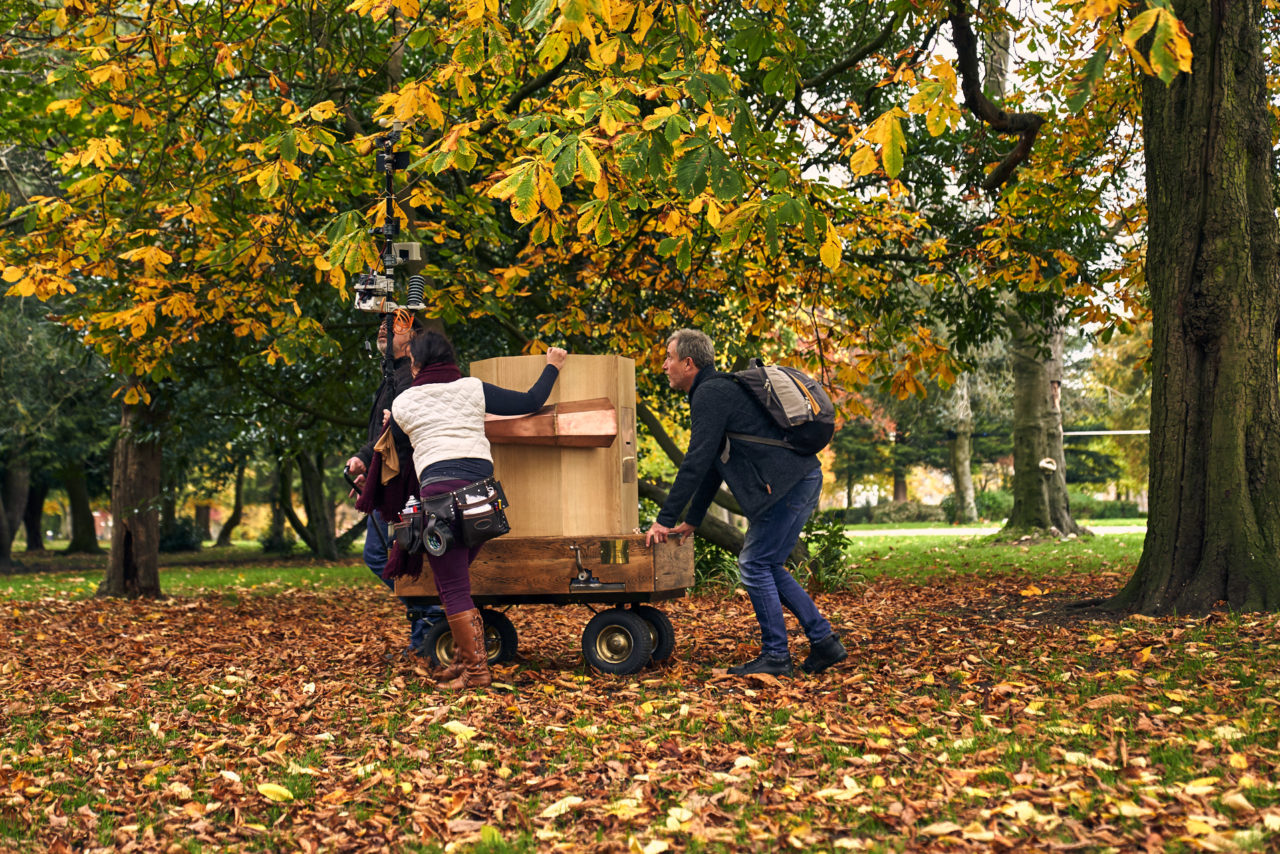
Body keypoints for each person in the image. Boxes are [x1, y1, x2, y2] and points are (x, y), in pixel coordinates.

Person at [644, 329, 846, 676]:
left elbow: (695, 461)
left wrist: (663, 518)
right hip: (798, 481)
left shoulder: (710, 393)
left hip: (789, 485)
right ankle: (824, 642)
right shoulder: (717, 391)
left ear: (688, 363)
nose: (665, 366)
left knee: (754, 564)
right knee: (766, 565)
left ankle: (776, 656)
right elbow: (712, 464)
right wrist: (692, 519)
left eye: (669, 358)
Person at [391, 333, 568, 688]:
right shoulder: (473, 389)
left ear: (416, 364)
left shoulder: (403, 402)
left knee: (453, 587)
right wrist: (553, 366)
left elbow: (393, 447)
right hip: (483, 499)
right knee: (454, 584)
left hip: (441, 500)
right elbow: (531, 401)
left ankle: (476, 672)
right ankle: (463, 660)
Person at [344, 314, 444, 653]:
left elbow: (401, 438)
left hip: (403, 485)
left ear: (414, 336)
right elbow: (380, 435)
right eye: (382, 326)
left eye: (396, 326)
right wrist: (363, 460)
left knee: (380, 555)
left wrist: (374, 471)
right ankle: (424, 631)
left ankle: (430, 616)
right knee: (392, 555)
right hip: (390, 480)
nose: (384, 330)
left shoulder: (410, 378)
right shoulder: (392, 377)